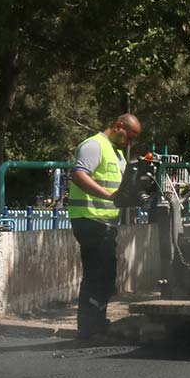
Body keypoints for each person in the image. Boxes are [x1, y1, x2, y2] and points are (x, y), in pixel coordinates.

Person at [67, 114, 141, 340]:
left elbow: (119, 191)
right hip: (89, 219)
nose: (130, 143)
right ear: (119, 126)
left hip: (105, 222)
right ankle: (91, 328)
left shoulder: (117, 154)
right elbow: (79, 175)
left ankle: (97, 323)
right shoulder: (93, 146)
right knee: (98, 275)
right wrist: (110, 196)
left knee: (105, 275)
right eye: (130, 137)